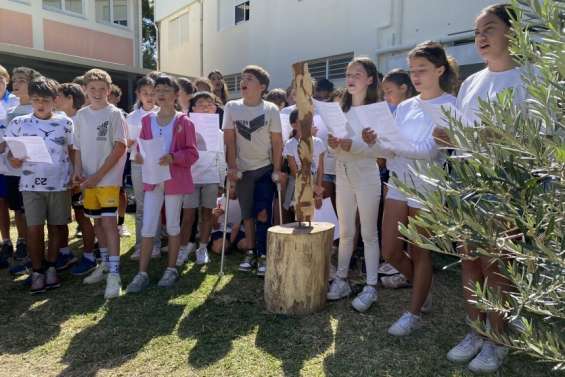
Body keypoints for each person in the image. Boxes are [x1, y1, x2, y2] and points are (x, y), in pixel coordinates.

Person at [438, 4, 525, 373]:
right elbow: (460, 133)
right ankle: (477, 330)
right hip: (467, 181)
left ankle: (499, 337)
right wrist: (448, 138)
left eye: (489, 28)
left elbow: (549, 139)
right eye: (477, 32)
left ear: (512, 32)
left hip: (507, 185)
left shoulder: (531, 78)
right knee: (469, 260)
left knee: (497, 265)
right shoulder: (472, 82)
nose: (481, 38)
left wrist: (503, 138)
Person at [362, 42, 458, 333]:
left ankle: (413, 312)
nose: (415, 76)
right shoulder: (404, 106)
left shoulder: (450, 105)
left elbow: (429, 151)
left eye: (422, 70)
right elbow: (392, 150)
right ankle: (422, 285)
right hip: (399, 181)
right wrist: (374, 141)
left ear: (440, 70)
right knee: (390, 250)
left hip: (428, 187)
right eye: (413, 70)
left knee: (420, 251)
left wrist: (391, 143)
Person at [126, 75, 198, 293]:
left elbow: (192, 153)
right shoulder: (147, 120)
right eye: (158, 89)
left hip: (174, 180)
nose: (161, 94)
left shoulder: (184, 121)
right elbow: (141, 148)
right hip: (153, 179)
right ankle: (142, 273)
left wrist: (173, 157)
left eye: (166, 90)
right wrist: (138, 156)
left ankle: (171, 269)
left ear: (176, 94)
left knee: (173, 225)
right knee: (148, 225)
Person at [4, 77, 73, 293]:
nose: (40, 104)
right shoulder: (19, 123)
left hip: (59, 183)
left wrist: (75, 174)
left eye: (45, 100)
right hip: (30, 185)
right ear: (30, 100)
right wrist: (13, 160)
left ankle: (51, 267)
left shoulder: (65, 123)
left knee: (56, 227)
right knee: (34, 229)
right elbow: (10, 154)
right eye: (35, 100)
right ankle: (37, 271)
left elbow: (72, 151)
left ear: (55, 100)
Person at [325, 57, 383, 313]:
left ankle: (371, 286)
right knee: (346, 231)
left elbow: (383, 150)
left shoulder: (377, 110)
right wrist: (332, 143)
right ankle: (341, 279)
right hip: (343, 173)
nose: (351, 77)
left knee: (369, 233)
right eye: (349, 73)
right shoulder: (340, 108)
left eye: (357, 74)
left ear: (370, 79)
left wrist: (355, 145)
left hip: (367, 175)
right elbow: (334, 148)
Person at [72, 68, 128, 299]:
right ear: (85, 90)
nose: (97, 92)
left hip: (107, 180)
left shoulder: (115, 114)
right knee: (96, 224)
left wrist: (97, 176)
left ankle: (115, 274)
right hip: (88, 181)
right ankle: (104, 265)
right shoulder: (81, 116)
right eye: (92, 88)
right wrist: (78, 172)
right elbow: (77, 148)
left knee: (108, 223)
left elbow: (120, 147)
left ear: (108, 90)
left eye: (101, 89)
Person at [223, 65, 283, 277]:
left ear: (262, 86)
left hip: (264, 169)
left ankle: (264, 254)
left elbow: (277, 142)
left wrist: (277, 169)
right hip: (243, 170)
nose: (243, 82)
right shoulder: (231, 106)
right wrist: (232, 167)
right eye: (243, 78)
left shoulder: (271, 109)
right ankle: (250, 252)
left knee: (263, 212)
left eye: (249, 78)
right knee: (247, 213)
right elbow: (229, 139)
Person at [377, 69, 417, 289]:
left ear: (404, 88)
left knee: (413, 231)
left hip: (417, 178)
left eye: (389, 91)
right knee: (395, 229)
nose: (386, 97)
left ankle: (411, 273)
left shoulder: (414, 110)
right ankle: (402, 266)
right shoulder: (395, 111)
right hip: (395, 175)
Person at [178, 91, 225, 266]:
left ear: (215, 107)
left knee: (207, 215)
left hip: (211, 179)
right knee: (188, 216)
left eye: (210, 103)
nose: (206, 106)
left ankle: (202, 248)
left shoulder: (219, 133)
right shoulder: (185, 128)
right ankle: (183, 249)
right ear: (193, 108)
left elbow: (222, 158)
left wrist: (221, 181)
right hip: (190, 178)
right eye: (201, 103)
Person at [54, 83, 97, 273]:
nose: (55, 100)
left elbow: (76, 151)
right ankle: (65, 253)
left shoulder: (80, 120)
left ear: (71, 99)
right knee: (60, 218)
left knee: (83, 216)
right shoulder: (60, 120)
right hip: (62, 180)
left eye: (59, 96)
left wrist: (77, 177)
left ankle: (89, 256)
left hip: (78, 179)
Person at [2, 67, 41, 274]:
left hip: (34, 171)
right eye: (14, 80)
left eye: (21, 80)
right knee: (18, 209)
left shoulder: (38, 108)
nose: (15, 83)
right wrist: (9, 155)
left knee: (32, 212)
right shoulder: (10, 110)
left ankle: (38, 254)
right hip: (13, 170)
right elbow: (9, 142)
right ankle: (23, 243)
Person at [127, 76, 161, 261]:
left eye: (152, 93)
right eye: (145, 93)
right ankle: (140, 245)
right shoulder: (131, 117)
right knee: (140, 206)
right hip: (138, 164)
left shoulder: (163, 114)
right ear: (138, 94)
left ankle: (155, 244)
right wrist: (129, 143)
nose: (149, 96)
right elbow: (125, 145)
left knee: (153, 205)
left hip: (156, 165)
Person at [283, 108, 325, 211]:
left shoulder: (318, 142)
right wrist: (312, 186)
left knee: (316, 216)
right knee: (301, 217)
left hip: (315, 182)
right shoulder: (290, 144)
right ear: (293, 125)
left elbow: (320, 169)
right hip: (298, 184)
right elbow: (294, 172)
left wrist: (318, 191)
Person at [0, 64, 20, 268]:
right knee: (1, 203)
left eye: (0, 79)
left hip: (14, 163)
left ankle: (23, 242)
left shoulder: (15, 101)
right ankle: (6, 241)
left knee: (18, 205)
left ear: (7, 80)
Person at [210, 183, 246, 254]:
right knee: (221, 248)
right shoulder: (218, 201)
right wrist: (215, 216)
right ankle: (222, 244)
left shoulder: (243, 202)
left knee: (246, 245)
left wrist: (231, 242)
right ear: (226, 187)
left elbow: (238, 226)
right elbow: (215, 226)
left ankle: (231, 245)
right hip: (220, 231)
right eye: (231, 187)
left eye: (237, 187)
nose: (234, 190)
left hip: (238, 231)